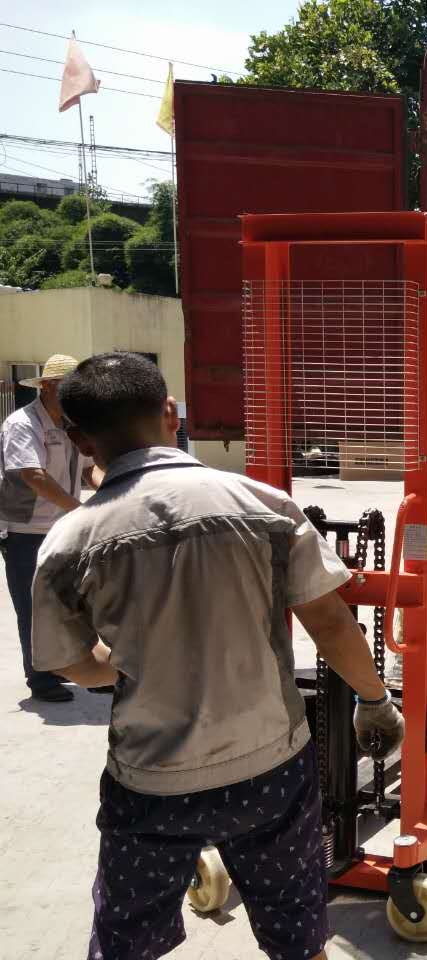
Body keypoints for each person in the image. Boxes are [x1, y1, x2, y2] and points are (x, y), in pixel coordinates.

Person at [29, 352, 405, 960]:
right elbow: (332, 623)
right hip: (270, 769)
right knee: (299, 939)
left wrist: (123, 661)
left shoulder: (68, 543)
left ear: (79, 440)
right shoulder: (264, 504)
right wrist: (375, 700)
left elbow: (69, 664)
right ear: (170, 413)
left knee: (126, 943)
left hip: (150, 783)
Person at [0, 353, 102, 702]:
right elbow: (33, 475)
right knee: (33, 607)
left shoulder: (74, 425)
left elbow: (89, 469)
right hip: (26, 531)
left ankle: (69, 667)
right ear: (45, 387)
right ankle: (40, 679)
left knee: (72, 604)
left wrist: (111, 489)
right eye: (67, 387)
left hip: (64, 527)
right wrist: (80, 509)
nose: (74, 394)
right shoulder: (22, 424)